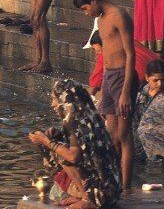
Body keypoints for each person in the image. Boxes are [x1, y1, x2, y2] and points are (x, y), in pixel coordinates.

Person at [74, 0, 136, 189]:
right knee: (112, 136)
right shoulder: (100, 19)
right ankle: (114, 182)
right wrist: (100, 82)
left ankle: (126, 187)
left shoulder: (119, 16)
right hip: (109, 78)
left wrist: (126, 91)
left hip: (122, 77)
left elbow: (130, 54)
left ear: (93, 0)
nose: (86, 13)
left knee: (125, 135)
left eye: (85, 8)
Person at [28, 79, 122, 209]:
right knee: (56, 146)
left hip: (102, 193)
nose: (53, 104)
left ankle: (87, 198)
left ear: (65, 100)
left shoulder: (73, 120)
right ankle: (83, 195)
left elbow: (73, 156)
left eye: (54, 99)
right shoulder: (87, 114)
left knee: (60, 153)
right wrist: (58, 135)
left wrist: (46, 141)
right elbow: (84, 146)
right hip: (112, 188)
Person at [134, 59, 164, 163]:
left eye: (163, 79)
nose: (160, 84)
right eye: (155, 80)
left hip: (162, 153)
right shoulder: (141, 93)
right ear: (147, 77)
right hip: (139, 148)